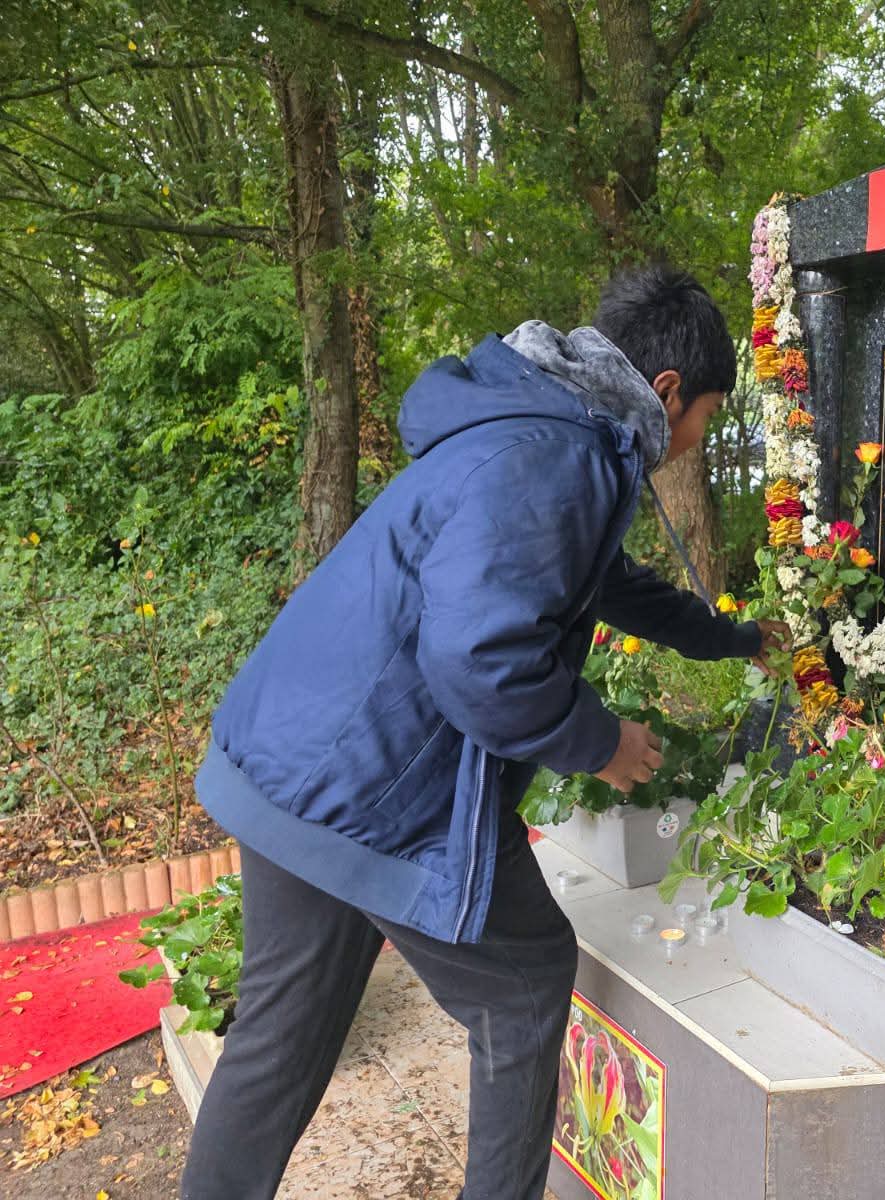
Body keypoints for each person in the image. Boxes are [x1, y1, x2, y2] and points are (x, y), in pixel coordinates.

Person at [181, 266, 789, 1200]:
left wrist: (735, 639)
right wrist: (602, 743)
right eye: (705, 416)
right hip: (370, 780)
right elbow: (480, 662)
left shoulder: (543, 427)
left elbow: (605, 583)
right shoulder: (560, 455)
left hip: (290, 761)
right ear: (667, 392)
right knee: (524, 982)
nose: (698, 440)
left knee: (278, 1040)